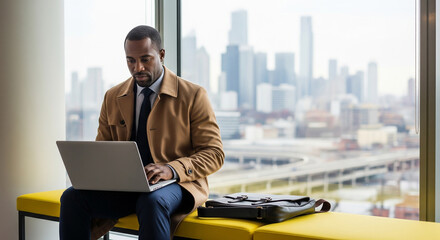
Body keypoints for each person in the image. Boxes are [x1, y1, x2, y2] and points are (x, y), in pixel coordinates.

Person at [59, 25, 224, 240]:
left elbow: (214, 153)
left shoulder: (193, 95)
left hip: (178, 184)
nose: (138, 67)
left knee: (151, 201)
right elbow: (102, 149)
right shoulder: (113, 96)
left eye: (146, 59)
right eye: (131, 60)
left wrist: (170, 169)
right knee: (72, 197)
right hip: (127, 186)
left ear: (161, 55)